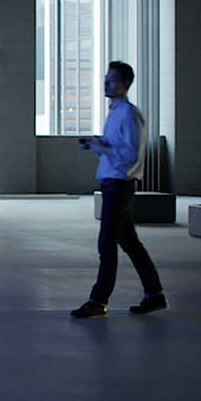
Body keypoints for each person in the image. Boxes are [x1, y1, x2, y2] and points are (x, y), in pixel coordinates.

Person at [72, 61, 166, 317]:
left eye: (112, 79)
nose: (106, 82)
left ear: (125, 84)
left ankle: (98, 300)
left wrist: (102, 148)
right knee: (129, 242)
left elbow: (130, 155)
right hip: (112, 183)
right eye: (106, 77)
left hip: (120, 184)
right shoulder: (116, 112)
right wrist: (97, 145)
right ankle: (154, 294)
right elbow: (116, 150)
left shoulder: (128, 114)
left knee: (107, 243)